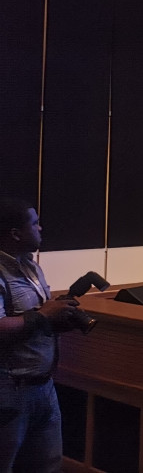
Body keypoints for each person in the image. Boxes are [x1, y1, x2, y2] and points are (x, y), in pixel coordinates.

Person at [0, 197, 83, 472]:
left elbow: (33, 319)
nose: (40, 228)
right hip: (9, 391)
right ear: (15, 233)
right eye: (34, 223)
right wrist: (44, 316)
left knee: (47, 465)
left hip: (44, 386)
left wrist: (57, 321)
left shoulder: (31, 265)